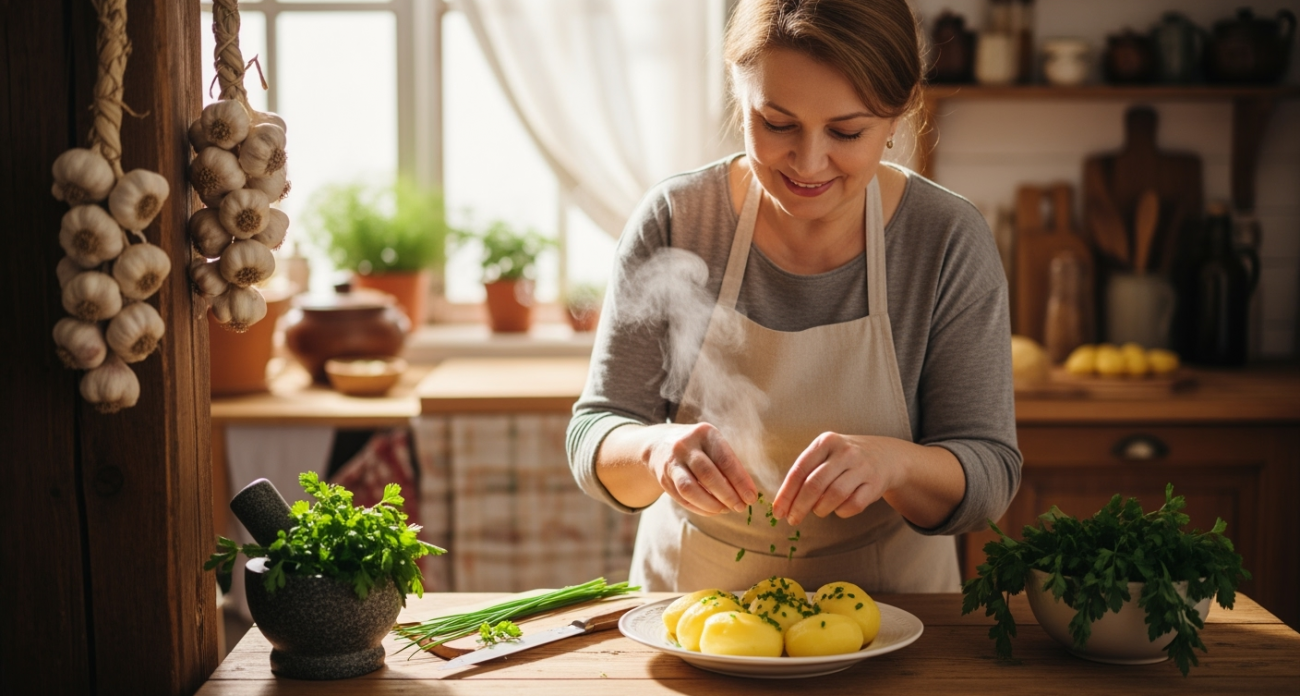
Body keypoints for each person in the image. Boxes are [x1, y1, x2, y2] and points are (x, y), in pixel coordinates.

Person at [566, 0, 1021, 593]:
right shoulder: (677, 219)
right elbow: (596, 431)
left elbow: (990, 473)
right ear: (739, 94)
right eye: (777, 124)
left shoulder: (945, 239)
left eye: (846, 132)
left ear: (899, 113)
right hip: (692, 607)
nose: (808, 162)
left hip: (894, 614)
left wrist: (895, 464)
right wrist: (654, 450)